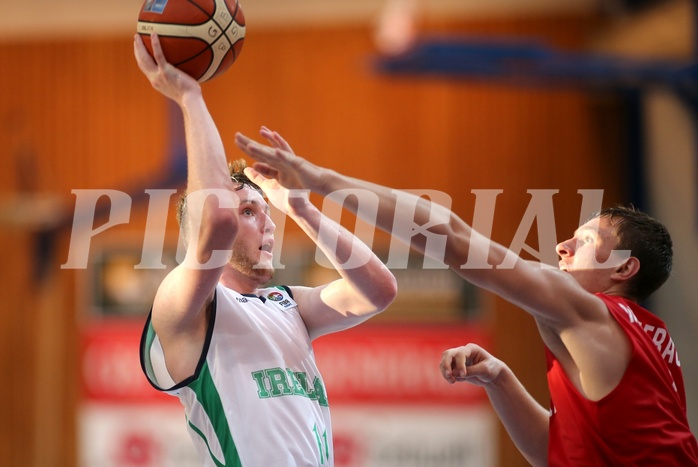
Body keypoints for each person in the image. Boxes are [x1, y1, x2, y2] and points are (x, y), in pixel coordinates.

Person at [235, 129, 698, 466]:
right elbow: (557, 452)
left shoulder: (590, 312)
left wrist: (320, 179)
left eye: (585, 241)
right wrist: (499, 378)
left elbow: (452, 238)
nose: (563, 247)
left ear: (623, 268)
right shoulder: (651, 343)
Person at [133, 34, 397, 467]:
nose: (269, 222)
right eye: (250, 210)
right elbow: (216, 220)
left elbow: (379, 291)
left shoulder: (287, 305)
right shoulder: (185, 308)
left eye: (266, 211)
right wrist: (189, 96)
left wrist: (302, 207)